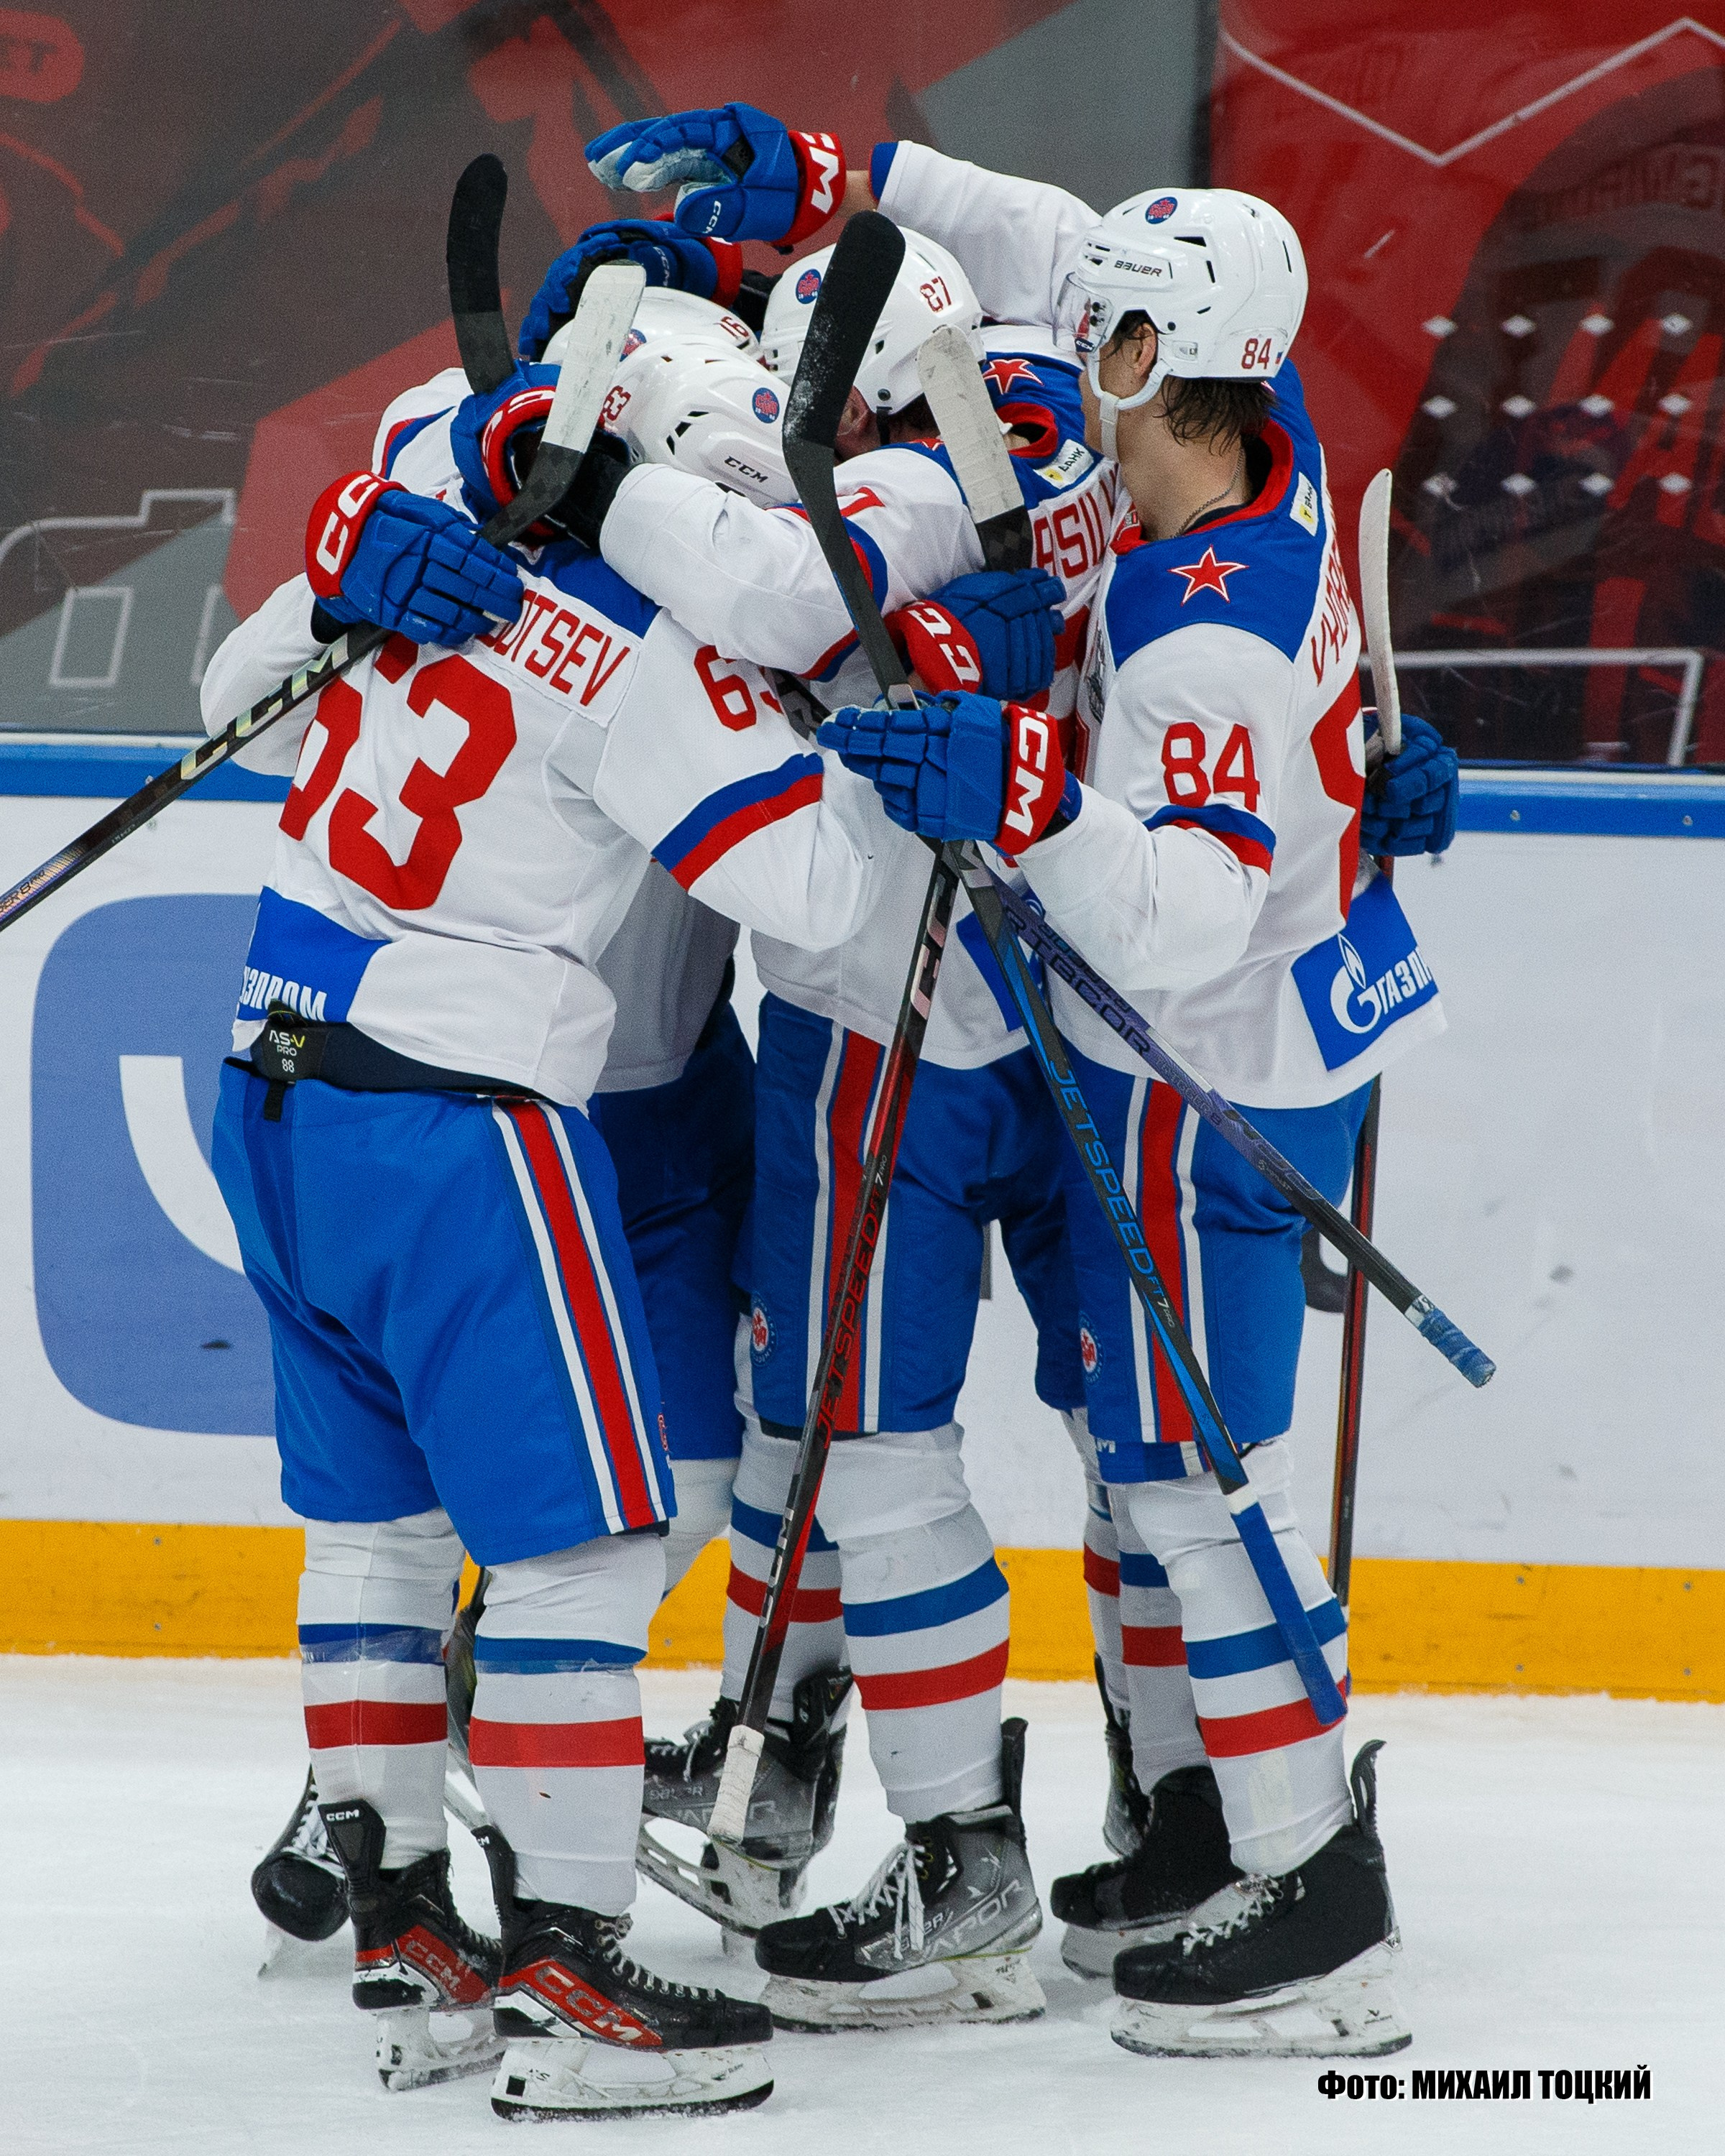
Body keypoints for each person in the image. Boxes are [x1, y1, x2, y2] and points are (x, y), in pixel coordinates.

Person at [618, 108, 1454, 2058]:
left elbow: (1172, 908)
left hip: (1167, 1062)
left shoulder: (1192, 629)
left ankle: (1302, 1879)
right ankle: (1194, 1834)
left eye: (1109, 337)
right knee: (1152, 1467)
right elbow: (1055, 228)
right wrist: (855, 162)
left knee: (1176, 1473)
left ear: (1166, 360)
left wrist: (1028, 789)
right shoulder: (1258, 465)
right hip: (1194, 1052)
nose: (1072, 349)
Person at [201, 313, 900, 2116]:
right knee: (584, 1556)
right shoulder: (646, 652)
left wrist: (342, 535)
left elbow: (235, 699)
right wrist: (883, 722)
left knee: (381, 1537)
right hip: (459, 1117)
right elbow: (817, 892)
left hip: (273, 1077)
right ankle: (575, 1974)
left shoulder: (427, 499)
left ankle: (406, 1932)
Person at [515, 189, 1114, 2027]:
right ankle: (816, 1756)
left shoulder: (913, 479)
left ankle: (966, 1864)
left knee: (871, 1448)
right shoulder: (1029, 422)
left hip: (895, 1043)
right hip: (1022, 1019)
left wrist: (568, 465)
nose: (797, 452)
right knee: (862, 1429)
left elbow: (778, 590)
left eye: (810, 416)